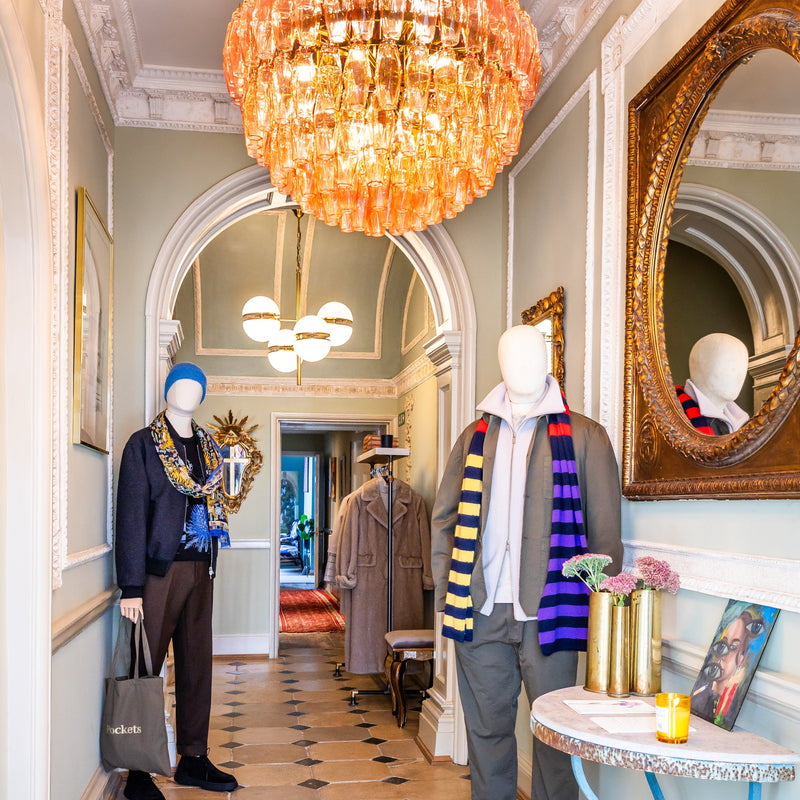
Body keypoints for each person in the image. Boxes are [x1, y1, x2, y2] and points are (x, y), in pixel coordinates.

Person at [431, 325, 623, 800]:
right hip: (480, 609)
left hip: (553, 615)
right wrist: (450, 586)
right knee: (487, 739)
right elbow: (445, 518)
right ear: (500, 364)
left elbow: (605, 540)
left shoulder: (585, 437)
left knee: (556, 744)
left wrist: (598, 612)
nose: (523, 365)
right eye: (512, 356)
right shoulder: (474, 437)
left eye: (532, 354)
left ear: (548, 359)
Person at [115, 363, 237, 799]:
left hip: (201, 566)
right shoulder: (143, 445)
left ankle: (193, 758)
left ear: (202, 396)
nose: (187, 394)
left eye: (195, 388)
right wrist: (131, 586)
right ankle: (138, 772)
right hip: (156, 572)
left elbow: (215, 502)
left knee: (195, 664)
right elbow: (130, 516)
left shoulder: (209, 449)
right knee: (145, 670)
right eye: (180, 386)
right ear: (167, 392)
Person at [692, 606, 765, 727]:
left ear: (742, 659)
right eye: (723, 643)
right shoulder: (698, 696)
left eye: (733, 647)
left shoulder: (730, 708)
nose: (723, 654)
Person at [675, 332, 750, 435]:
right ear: (701, 365)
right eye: (728, 363)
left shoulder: (742, 423)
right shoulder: (672, 416)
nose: (739, 375)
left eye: (743, 366)